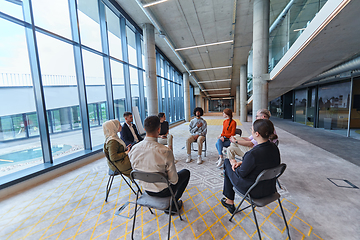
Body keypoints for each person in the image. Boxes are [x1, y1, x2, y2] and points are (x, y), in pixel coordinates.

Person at [129, 116, 190, 215]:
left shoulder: (133, 149)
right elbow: (174, 180)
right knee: (186, 173)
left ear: (144, 129)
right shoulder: (165, 151)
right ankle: (173, 204)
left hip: (146, 189)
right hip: (163, 191)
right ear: (159, 129)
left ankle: (172, 203)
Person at [221, 119, 280, 214]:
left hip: (253, 190)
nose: (251, 131)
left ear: (257, 134)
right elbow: (263, 165)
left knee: (227, 163)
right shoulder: (274, 148)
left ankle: (229, 201)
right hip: (270, 188)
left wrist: (233, 162)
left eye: (251, 130)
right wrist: (242, 163)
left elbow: (241, 174)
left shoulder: (253, 154)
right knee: (233, 166)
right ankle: (229, 201)